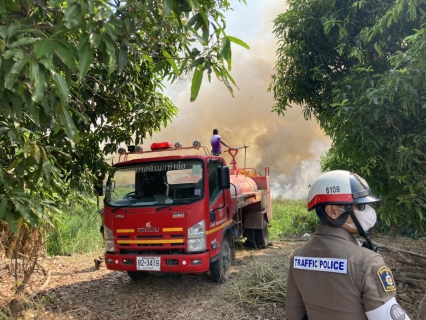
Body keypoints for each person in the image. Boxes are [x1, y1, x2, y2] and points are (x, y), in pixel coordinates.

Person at [286, 170, 411, 320]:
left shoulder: (298, 257)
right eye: (361, 206)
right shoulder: (367, 262)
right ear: (333, 211)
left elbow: (294, 315)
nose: (369, 212)